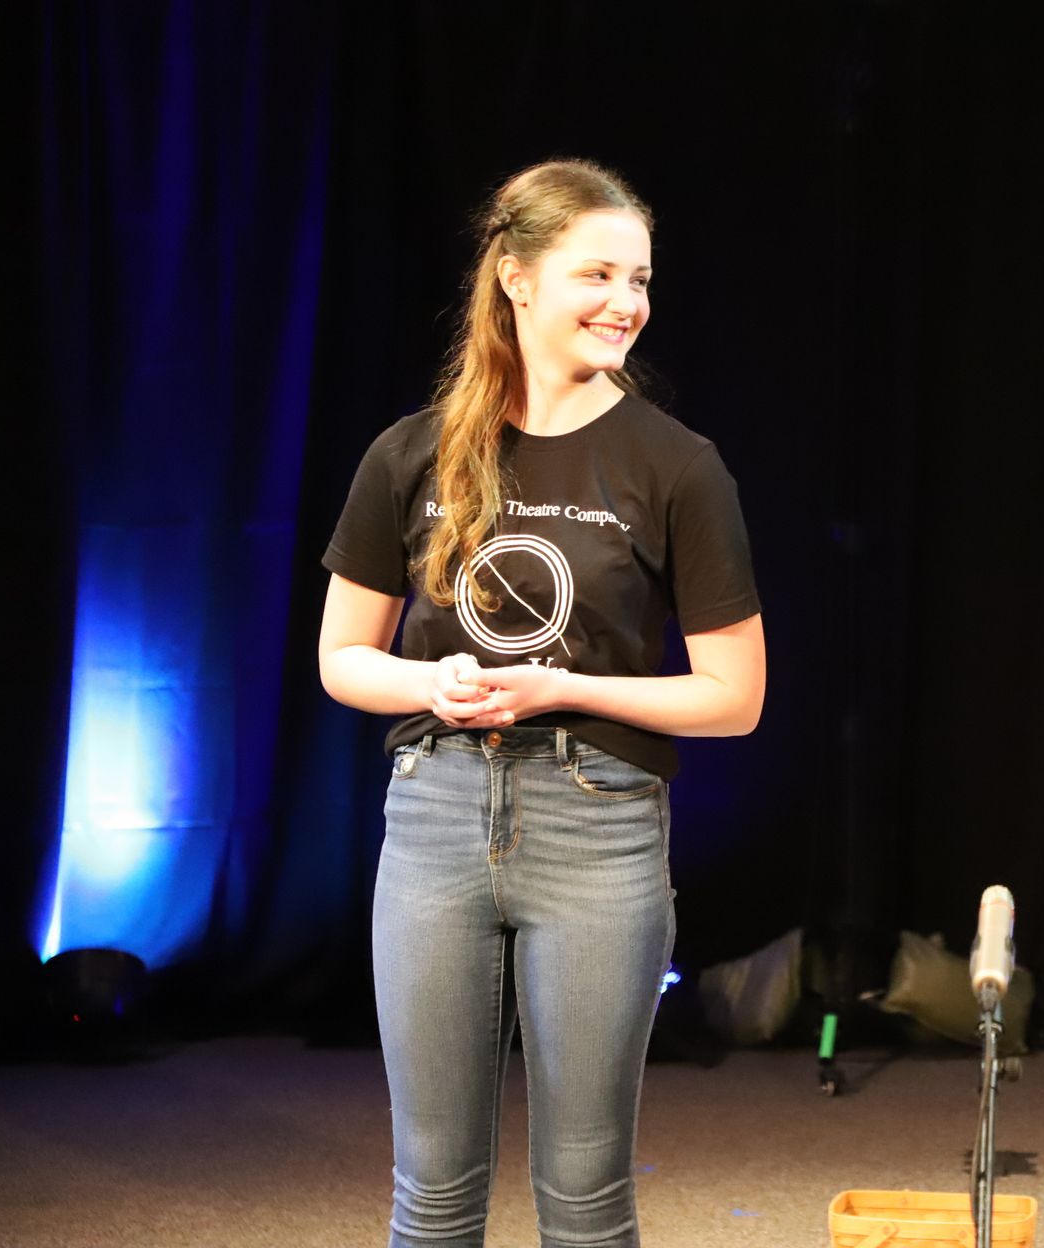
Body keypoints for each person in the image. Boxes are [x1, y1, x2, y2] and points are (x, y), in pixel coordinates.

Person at [318, 158, 765, 1248]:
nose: (627, 302)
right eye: (597, 273)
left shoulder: (677, 465)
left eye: (641, 278)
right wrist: (432, 681)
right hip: (432, 816)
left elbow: (736, 696)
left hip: (597, 821)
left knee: (585, 1194)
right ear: (516, 279)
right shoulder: (411, 453)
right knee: (430, 1191)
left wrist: (562, 684)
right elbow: (343, 657)